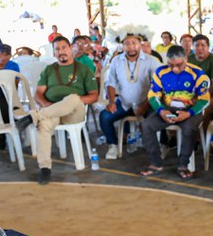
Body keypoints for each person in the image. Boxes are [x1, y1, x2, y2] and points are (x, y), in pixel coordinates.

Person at [18, 36, 98, 185]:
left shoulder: (83, 69)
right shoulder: (49, 70)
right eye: (57, 49)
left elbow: (94, 96)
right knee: (43, 125)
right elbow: (38, 94)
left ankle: (33, 117)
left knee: (73, 98)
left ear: (70, 49)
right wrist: (48, 105)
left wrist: (71, 102)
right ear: (54, 53)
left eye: (64, 48)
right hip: (51, 109)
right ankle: (45, 168)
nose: (61, 51)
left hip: (74, 112)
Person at [139, 45, 209, 180]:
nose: (175, 69)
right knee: (147, 125)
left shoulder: (198, 74)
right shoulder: (160, 72)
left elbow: (204, 100)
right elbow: (153, 96)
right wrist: (161, 111)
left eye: (179, 64)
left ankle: (183, 164)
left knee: (189, 128)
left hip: (191, 110)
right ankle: (155, 163)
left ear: (186, 59)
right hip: (168, 109)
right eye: (170, 65)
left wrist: (189, 114)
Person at [99, 34, 159, 160]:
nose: (131, 47)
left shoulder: (152, 61)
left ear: (140, 44)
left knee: (160, 115)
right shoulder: (116, 60)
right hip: (124, 103)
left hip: (146, 103)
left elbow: (157, 87)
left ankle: (160, 145)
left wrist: (144, 106)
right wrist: (111, 102)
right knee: (104, 116)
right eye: (127, 43)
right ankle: (113, 145)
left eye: (134, 43)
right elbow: (110, 82)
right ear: (122, 45)